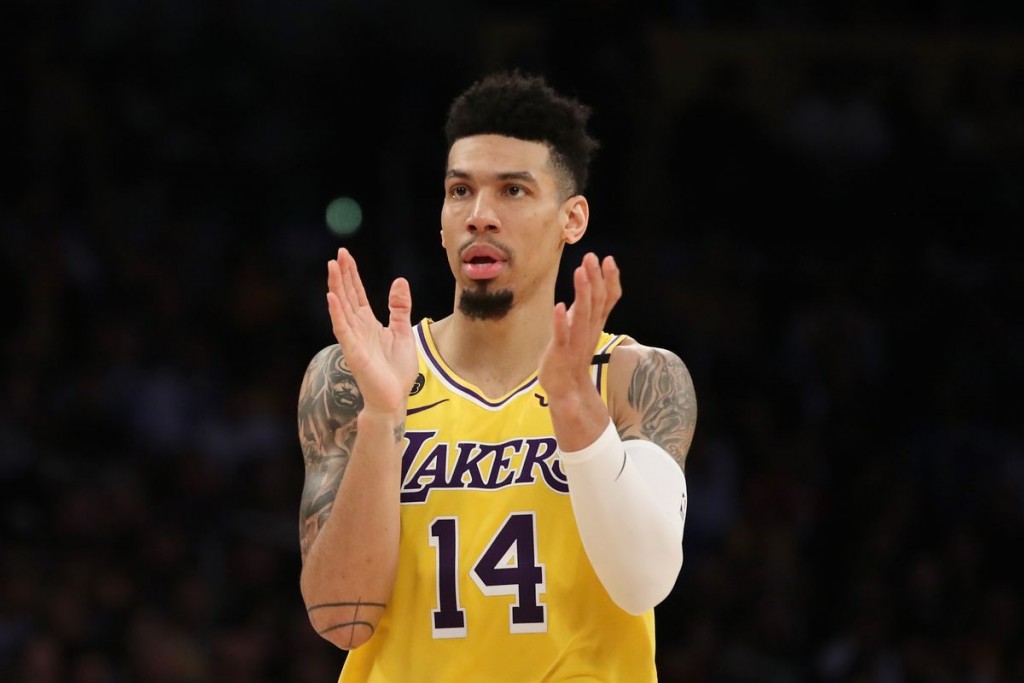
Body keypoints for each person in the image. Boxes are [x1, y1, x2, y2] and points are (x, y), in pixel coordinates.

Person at [296, 70, 697, 682]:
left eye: (513, 190)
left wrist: (575, 408)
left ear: (572, 219)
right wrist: (381, 418)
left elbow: (644, 581)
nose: (479, 216)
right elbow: (340, 619)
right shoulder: (356, 376)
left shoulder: (632, 377)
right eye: (460, 191)